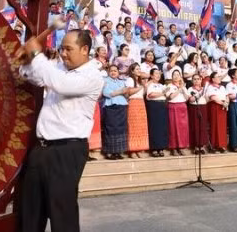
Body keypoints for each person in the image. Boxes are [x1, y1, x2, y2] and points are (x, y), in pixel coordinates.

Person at [17, 27, 104, 232]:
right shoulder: (58, 68)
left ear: (84, 49)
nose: (63, 53)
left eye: (68, 49)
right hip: (41, 149)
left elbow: (61, 84)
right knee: (30, 211)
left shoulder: (93, 76)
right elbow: (32, 76)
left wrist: (36, 55)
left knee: (61, 213)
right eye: (61, 49)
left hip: (67, 150)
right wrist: (27, 59)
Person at [101, 65, 128, 160]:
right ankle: (110, 152)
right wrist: (120, 91)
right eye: (111, 71)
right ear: (108, 72)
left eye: (115, 71)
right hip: (110, 107)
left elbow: (126, 92)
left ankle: (118, 152)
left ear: (118, 72)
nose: (113, 72)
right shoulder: (105, 81)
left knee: (121, 129)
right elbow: (107, 93)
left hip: (122, 106)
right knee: (111, 128)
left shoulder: (122, 82)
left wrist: (118, 92)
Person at [165, 69, 190, 156]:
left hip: (182, 107)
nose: (176, 76)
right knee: (173, 128)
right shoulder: (169, 86)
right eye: (174, 75)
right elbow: (171, 96)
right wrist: (179, 88)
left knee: (182, 128)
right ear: (171, 77)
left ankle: (181, 147)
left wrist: (182, 88)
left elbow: (187, 98)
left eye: (178, 75)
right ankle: (173, 147)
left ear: (180, 77)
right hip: (173, 107)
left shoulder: (183, 86)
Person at [145, 68, 169, 157]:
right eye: (156, 73)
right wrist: (162, 93)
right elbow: (151, 95)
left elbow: (167, 95)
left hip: (162, 106)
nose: (158, 75)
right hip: (154, 106)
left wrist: (163, 93)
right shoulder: (150, 85)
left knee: (162, 127)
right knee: (154, 127)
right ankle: (154, 148)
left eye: (159, 73)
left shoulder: (162, 85)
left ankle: (161, 147)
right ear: (151, 75)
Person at [125, 68, 149, 159]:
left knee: (140, 126)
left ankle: (138, 148)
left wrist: (144, 87)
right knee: (133, 126)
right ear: (132, 71)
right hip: (133, 102)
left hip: (141, 103)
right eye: (137, 69)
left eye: (139, 69)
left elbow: (142, 93)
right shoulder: (130, 79)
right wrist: (141, 87)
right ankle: (132, 150)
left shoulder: (139, 81)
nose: (139, 70)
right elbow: (130, 91)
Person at [205, 72, 229, 153]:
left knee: (222, 126)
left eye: (219, 76)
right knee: (215, 125)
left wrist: (226, 103)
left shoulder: (222, 87)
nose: (219, 78)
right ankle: (213, 145)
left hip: (223, 107)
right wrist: (223, 103)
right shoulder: (210, 87)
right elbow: (213, 97)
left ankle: (222, 145)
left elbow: (226, 96)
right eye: (217, 77)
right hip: (215, 106)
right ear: (213, 79)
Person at [187, 73, 210, 154]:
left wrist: (205, 93)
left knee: (202, 126)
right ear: (192, 81)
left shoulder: (204, 88)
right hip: (194, 108)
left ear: (201, 80)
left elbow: (207, 99)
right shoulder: (190, 89)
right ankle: (196, 146)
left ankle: (202, 145)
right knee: (195, 126)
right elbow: (191, 100)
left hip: (203, 107)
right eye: (195, 79)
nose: (196, 81)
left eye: (198, 79)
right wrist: (199, 94)